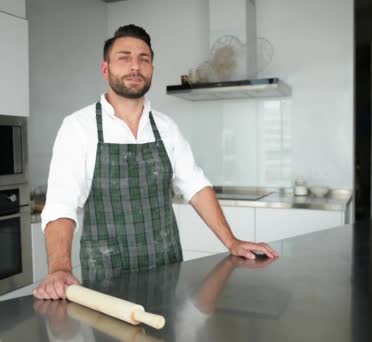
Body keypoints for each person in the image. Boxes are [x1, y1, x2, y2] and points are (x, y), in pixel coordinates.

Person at [33, 24, 278, 300]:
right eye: (124, 57)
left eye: (144, 59)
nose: (135, 66)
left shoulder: (166, 127)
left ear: (151, 69)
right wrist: (59, 268)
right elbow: (60, 204)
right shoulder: (78, 126)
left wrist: (231, 242)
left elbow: (196, 186)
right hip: (107, 279)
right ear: (105, 69)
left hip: (167, 272)